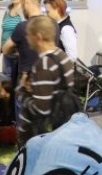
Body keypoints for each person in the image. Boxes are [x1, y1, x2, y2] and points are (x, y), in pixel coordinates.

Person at [16, 15, 75, 147]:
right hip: (61, 128)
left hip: (39, 136)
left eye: (28, 35)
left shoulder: (43, 64)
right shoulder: (62, 55)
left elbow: (42, 109)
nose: (26, 38)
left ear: (38, 37)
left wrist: (23, 93)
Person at [0, 0, 23, 82]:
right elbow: (4, 30)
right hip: (6, 51)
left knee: (17, 78)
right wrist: (1, 48)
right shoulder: (8, 9)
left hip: (17, 51)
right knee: (7, 78)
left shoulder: (23, 10)